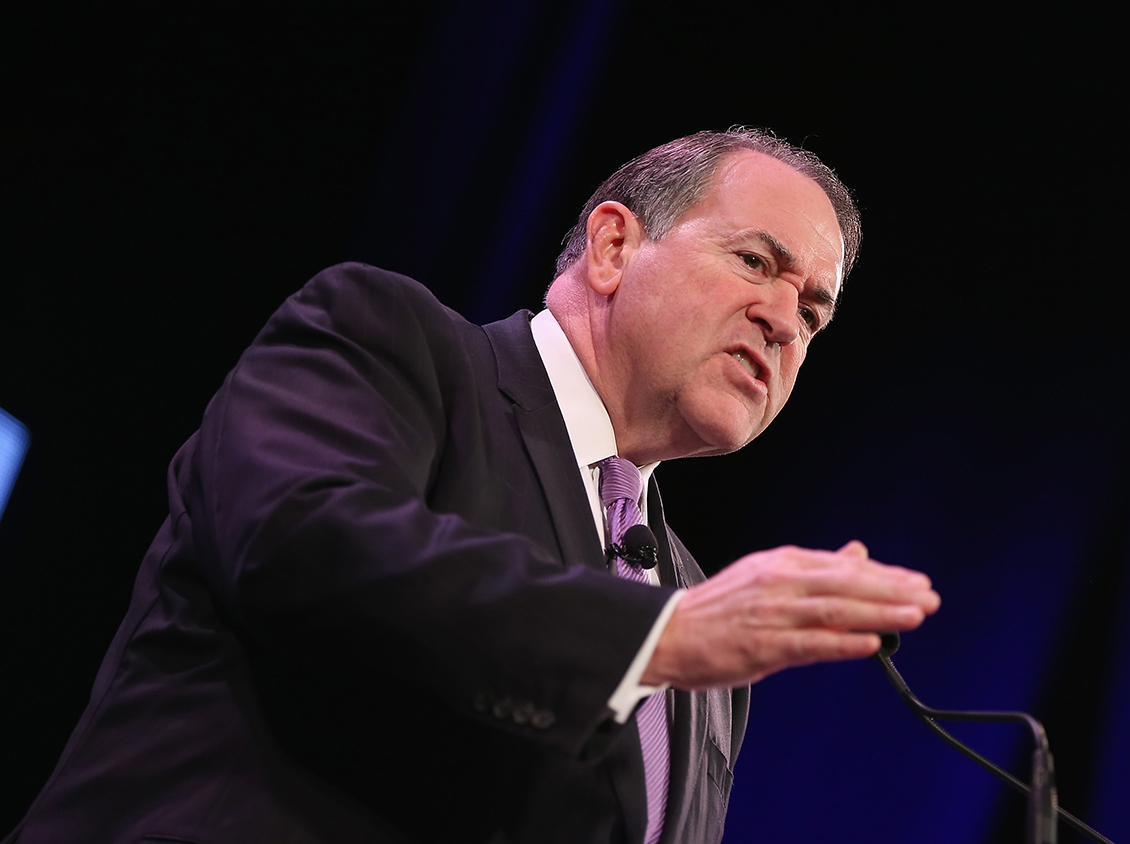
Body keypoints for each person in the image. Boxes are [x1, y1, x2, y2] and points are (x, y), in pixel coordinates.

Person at [3, 128, 940, 844]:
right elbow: (304, 547)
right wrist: (654, 640)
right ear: (612, 247)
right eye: (755, 262)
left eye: (814, 310)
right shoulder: (388, 343)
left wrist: (672, 634)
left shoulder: (697, 613)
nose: (784, 319)